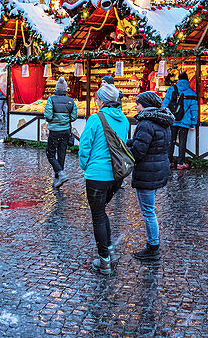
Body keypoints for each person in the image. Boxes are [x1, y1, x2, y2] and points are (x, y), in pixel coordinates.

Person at [78, 77, 130, 275]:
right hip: (116, 176)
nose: (96, 102)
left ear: (102, 101)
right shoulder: (124, 120)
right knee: (102, 212)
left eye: (97, 99)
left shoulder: (95, 119)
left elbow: (85, 146)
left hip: (97, 175)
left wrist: (85, 165)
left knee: (98, 215)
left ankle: (104, 259)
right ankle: (108, 248)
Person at [127, 91, 173, 262]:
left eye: (138, 103)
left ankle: (153, 247)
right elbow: (153, 143)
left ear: (145, 105)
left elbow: (139, 151)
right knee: (150, 209)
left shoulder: (145, 123)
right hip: (158, 169)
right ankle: (152, 245)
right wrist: (130, 142)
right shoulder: (162, 120)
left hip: (147, 172)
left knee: (148, 212)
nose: (136, 106)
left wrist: (124, 152)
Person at [44, 77, 77, 188]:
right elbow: (73, 117)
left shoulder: (51, 99)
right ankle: (57, 179)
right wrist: (65, 119)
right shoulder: (71, 101)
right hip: (66, 131)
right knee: (61, 154)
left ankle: (60, 173)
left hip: (54, 131)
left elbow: (48, 116)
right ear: (65, 89)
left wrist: (55, 119)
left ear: (56, 88)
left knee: (50, 154)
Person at [164, 71, 198, 169]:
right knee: (182, 142)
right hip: (185, 121)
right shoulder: (191, 92)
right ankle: (180, 162)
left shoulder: (171, 90)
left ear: (178, 79)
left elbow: (165, 105)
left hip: (172, 120)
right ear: (188, 80)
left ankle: (169, 161)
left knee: (171, 141)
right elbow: (194, 110)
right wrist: (193, 123)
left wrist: (166, 118)